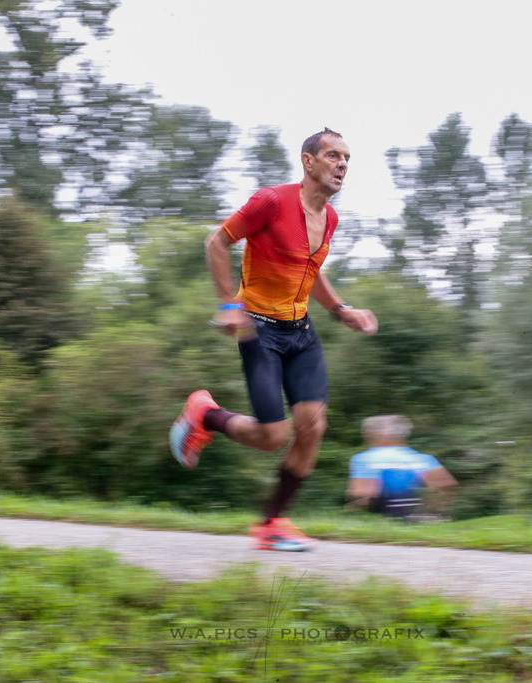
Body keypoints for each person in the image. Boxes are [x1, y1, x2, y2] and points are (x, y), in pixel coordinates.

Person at [170, 127, 378, 552]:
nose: (342, 164)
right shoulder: (271, 201)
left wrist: (341, 310)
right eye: (333, 155)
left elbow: (310, 270)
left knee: (313, 427)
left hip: (301, 333)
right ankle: (205, 414)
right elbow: (217, 242)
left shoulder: (330, 219)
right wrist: (229, 304)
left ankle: (272, 524)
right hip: (259, 329)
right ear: (308, 161)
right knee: (271, 437)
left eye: (347, 159)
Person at [346, 415, 458, 520]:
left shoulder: (365, 458)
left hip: (382, 521)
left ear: (372, 434)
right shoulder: (423, 458)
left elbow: (365, 493)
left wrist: (351, 509)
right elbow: (446, 486)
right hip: (412, 520)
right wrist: (428, 511)